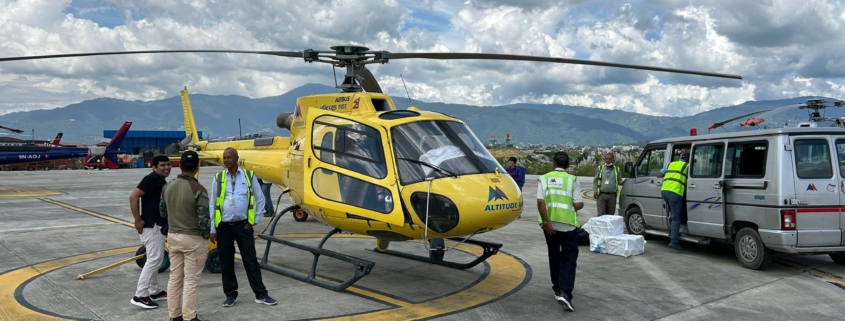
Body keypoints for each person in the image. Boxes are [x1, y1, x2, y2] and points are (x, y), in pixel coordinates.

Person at [209, 147, 277, 307]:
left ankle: (261, 293)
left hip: (243, 226)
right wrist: (213, 228)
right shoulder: (218, 178)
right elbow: (213, 203)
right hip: (224, 227)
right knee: (226, 262)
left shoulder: (248, 176)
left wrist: (255, 220)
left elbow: (260, 198)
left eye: (229, 157)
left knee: (251, 260)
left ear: (236, 159)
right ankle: (230, 294)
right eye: (224, 157)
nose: (226, 160)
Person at [160, 151, 210, 321]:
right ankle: (190, 317)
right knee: (191, 280)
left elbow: (162, 211)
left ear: (179, 166)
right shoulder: (199, 189)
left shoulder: (167, 186)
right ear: (198, 167)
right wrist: (205, 235)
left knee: (175, 277)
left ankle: (174, 315)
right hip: (193, 239)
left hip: (173, 236)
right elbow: (204, 219)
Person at [537, 152, 584, 312]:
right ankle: (565, 292)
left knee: (554, 255)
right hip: (568, 225)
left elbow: (540, 201)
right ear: (568, 166)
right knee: (569, 258)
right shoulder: (573, 180)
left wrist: (546, 223)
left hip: (549, 225)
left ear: (553, 163)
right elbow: (578, 204)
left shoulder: (544, 179)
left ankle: (557, 288)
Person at [129, 155, 171, 309]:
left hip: (157, 226)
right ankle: (140, 295)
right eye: (162, 165)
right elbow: (134, 196)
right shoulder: (151, 179)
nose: (166, 168)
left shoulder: (159, 180)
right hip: (151, 226)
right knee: (154, 260)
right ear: (154, 167)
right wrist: (137, 219)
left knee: (155, 259)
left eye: (168, 164)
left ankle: (154, 291)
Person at [657, 151, 689, 252]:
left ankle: (672, 233)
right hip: (675, 192)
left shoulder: (671, 164)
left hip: (665, 191)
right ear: (687, 159)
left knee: (672, 214)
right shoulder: (687, 166)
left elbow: (659, 174)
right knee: (676, 218)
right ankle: (673, 242)